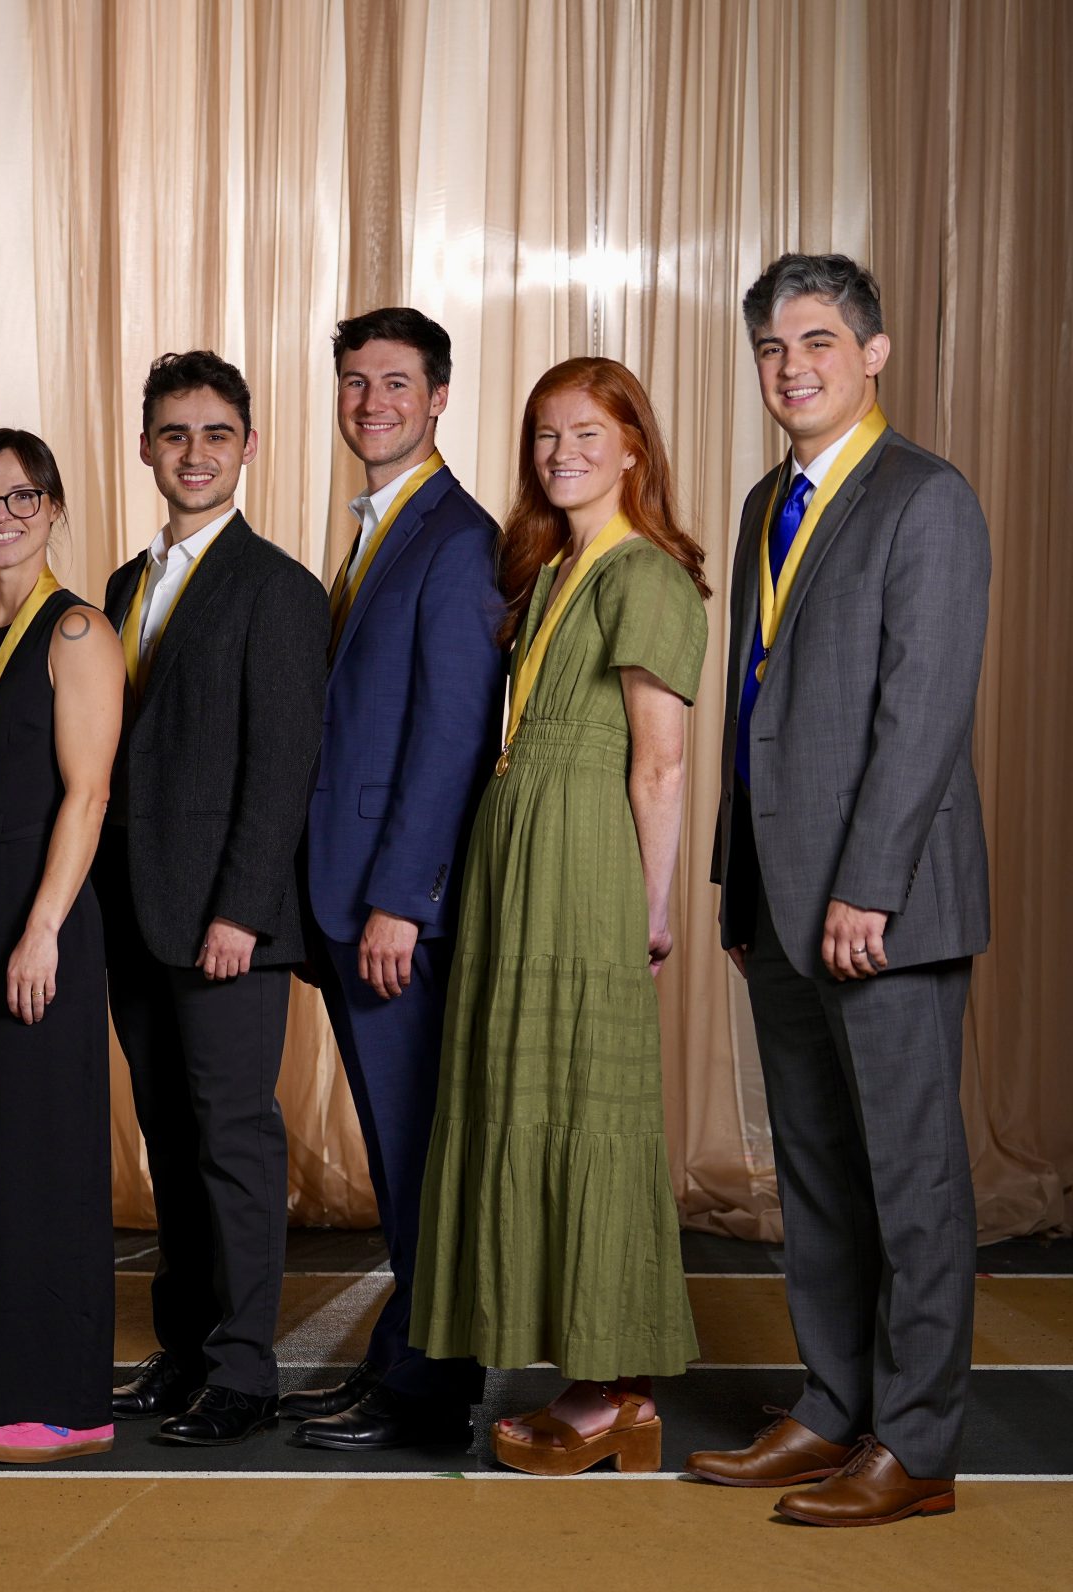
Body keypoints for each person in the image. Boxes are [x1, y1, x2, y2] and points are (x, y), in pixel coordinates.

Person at [688, 255, 991, 1527]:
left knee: (909, 1179)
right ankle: (831, 1406)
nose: (791, 365)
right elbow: (757, 711)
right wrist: (737, 888)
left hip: (887, 906)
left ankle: (912, 1446)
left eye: (816, 340)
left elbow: (919, 712)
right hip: (782, 900)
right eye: (770, 347)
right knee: (812, 1169)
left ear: (872, 352)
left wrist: (864, 887)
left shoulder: (925, 499)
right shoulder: (770, 498)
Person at [410, 357, 710, 1475]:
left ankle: (614, 1391)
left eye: (586, 432)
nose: (561, 453)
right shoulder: (550, 569)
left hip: (584, 853)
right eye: (544, 435)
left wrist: (649, 906)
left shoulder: (644, 573)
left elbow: (661, 764)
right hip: (519, 850)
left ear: (633, 443)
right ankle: (588, 1379)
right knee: (523, 1099)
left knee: (587, 1107)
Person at [94, 354, 330, 1447]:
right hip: (135, 915)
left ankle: (243, 1370)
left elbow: (281, 767)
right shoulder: (122, 587)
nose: (194, 453)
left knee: (233, 1142)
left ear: (248, 447)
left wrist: (240, 911)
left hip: (228, 922)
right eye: (174, 434)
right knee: (170, 1143)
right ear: (145, 446)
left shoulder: (277, 588)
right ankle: (183, 1348)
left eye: (216, 433)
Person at [287, 310, 504, 1452]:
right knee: (399, 1150)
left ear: (438, 398)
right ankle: (400, 1362)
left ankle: (429, 1390)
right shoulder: (381, 527)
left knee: (420, 1154)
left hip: (391, 910)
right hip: (348, 896)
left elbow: (453, 734)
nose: (372, 402)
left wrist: (400, 900)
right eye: (355, 382)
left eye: (396, 384)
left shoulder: (456, 537)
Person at [0, 428, 125, 1465]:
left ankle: (67, 1400)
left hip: (37, 912)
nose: (0, 516)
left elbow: (86, 795)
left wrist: (42, 928)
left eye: (21, 497)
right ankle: (0, 1381)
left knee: (45, 1157)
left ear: (53, 508)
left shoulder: (78, 632)